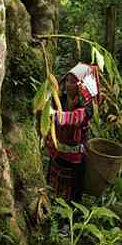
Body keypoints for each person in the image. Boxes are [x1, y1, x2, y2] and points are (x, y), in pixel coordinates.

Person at [46, 63, 101, 204]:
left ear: (81, 86)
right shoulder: (60, 99)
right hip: (57, 154)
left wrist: (55, 116)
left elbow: (75, 118)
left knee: (72, 194)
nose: (67, 84)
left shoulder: (87, 108)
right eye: (67, 80)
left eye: (72, 81)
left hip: (75, 159)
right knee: (52, 188)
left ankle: (67, 221)